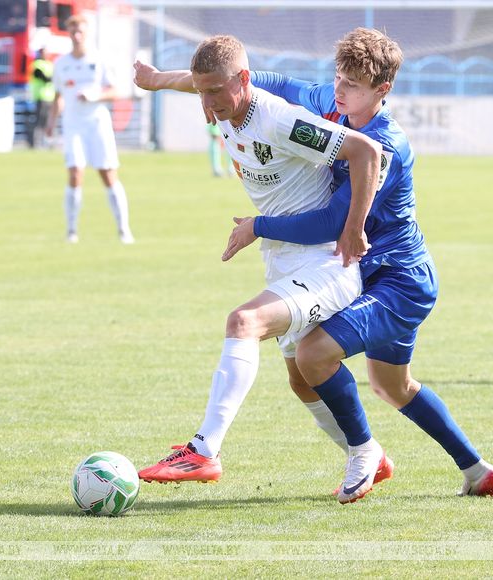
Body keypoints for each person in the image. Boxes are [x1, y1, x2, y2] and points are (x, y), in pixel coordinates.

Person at [223, 28, 493, 497]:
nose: (339, 90)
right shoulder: (334, 103)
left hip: (399, 280)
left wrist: (259, 226)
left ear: (382, 90)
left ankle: (363, 453)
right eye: (338, 77)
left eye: (352, 84)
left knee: (312, 355)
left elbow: (333, 222)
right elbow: (274, 82)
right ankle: (478, 472)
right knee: (392, 387)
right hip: (370, 275)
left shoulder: (385, 147)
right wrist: (198, 82)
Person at [133, 35, 389, 504]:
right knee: (301, 380)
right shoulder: (220, 99)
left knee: (243, 322)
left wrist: (354, 229)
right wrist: (155, 81)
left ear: (244, 80)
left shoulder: (280, 120)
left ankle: (204, 450)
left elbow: (366, 153)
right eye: (202, 92)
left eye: (216, 91)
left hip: (326, 263)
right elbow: (194, 81)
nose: (207, 102)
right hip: (283, 261)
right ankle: (368, 452)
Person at [46, 15, 134, 245]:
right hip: (73, 125)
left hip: (97, 124)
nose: (77, 36)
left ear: (86, 34)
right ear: (68, 34)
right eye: (73, 32)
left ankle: (124, 229)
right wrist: (50, 123)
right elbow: (58, 96)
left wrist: (94, 96)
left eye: (80, 32)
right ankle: (71, 230)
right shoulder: (61, 63)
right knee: (75, 173)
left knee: (108, 174)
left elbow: (115, 91)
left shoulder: (99, 60)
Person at [27, 48, 54, 149]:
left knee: (49, 121)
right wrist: (53, 79)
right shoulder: (37, 64)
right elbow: (43, 78)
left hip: (50, 97)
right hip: (41, 97)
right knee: (39, 121)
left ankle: (48, 142)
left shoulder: (50, 64)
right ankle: (35, 143)